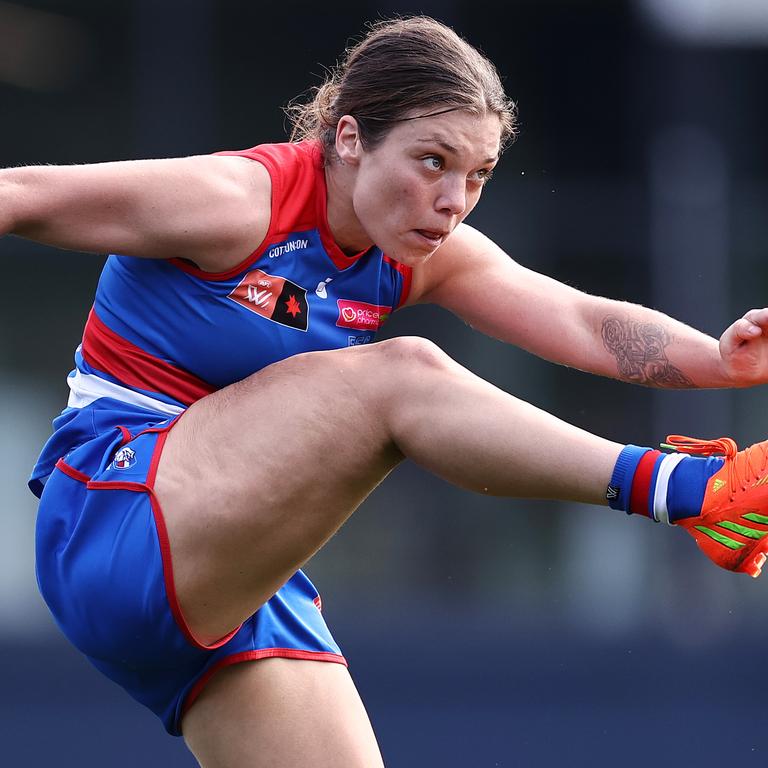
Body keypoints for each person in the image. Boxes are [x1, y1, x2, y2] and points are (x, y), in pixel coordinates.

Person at [3, 14, 768, 768]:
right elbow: (20, 195)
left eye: (478, 174)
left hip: (228, 586)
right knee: (399, 377)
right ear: (346, 138)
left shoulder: (416, 249)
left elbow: (576, 318)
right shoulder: (237, 200)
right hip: (114, 510)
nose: (454, 199)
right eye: (432, 161)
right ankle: (695, 491)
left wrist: (720, 361)